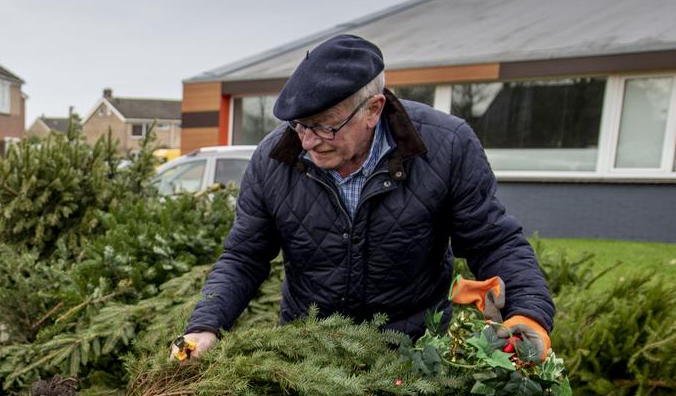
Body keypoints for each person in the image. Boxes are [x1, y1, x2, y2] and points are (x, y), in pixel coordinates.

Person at [175, 34, 552, 363]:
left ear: (373, 109)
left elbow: (493, 241)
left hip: (414, 359)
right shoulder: (274, 158)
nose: (307, 142)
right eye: (301, 124)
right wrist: (205, 327)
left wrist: (528, 314)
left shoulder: (448, 147)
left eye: (325, 126)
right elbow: (244, 256)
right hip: (307, 360)